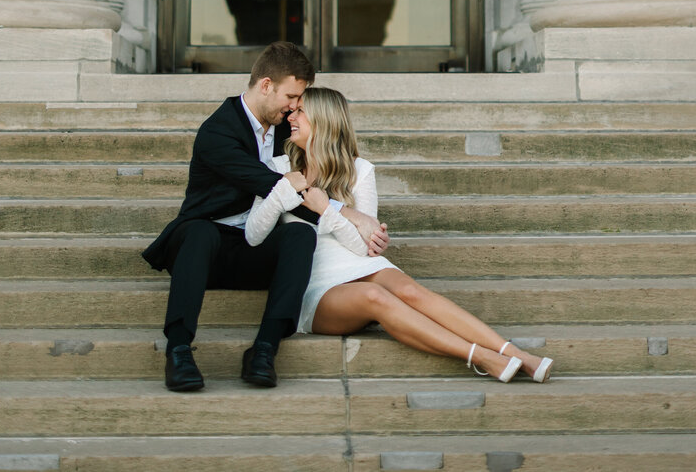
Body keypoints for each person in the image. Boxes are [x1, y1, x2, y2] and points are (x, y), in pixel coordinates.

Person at [245, 85, 555, 382]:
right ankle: (482, 357)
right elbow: (253, 233)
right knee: (374, 296)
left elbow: (365, 247)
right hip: (314, 284)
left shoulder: (359, 170)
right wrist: (282, 190)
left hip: (358, 263)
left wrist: (329, 210)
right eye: (293, 110)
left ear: (324, 120)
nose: (290, 117)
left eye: (300, 111)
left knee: (410, 291)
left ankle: (515, 353)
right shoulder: (277, 166)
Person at [142, 40, 323, 390]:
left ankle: (264, 349)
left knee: (301, 235)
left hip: (254, 246)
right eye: (290, 97)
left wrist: (349, 215)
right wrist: (314, 198)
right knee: (199, 232)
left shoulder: (288, 128)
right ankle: (178, 348)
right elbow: (269, 184)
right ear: (266, 86)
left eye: (300, 99)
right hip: (203, 251)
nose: (296, 107)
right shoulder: (218, 131)